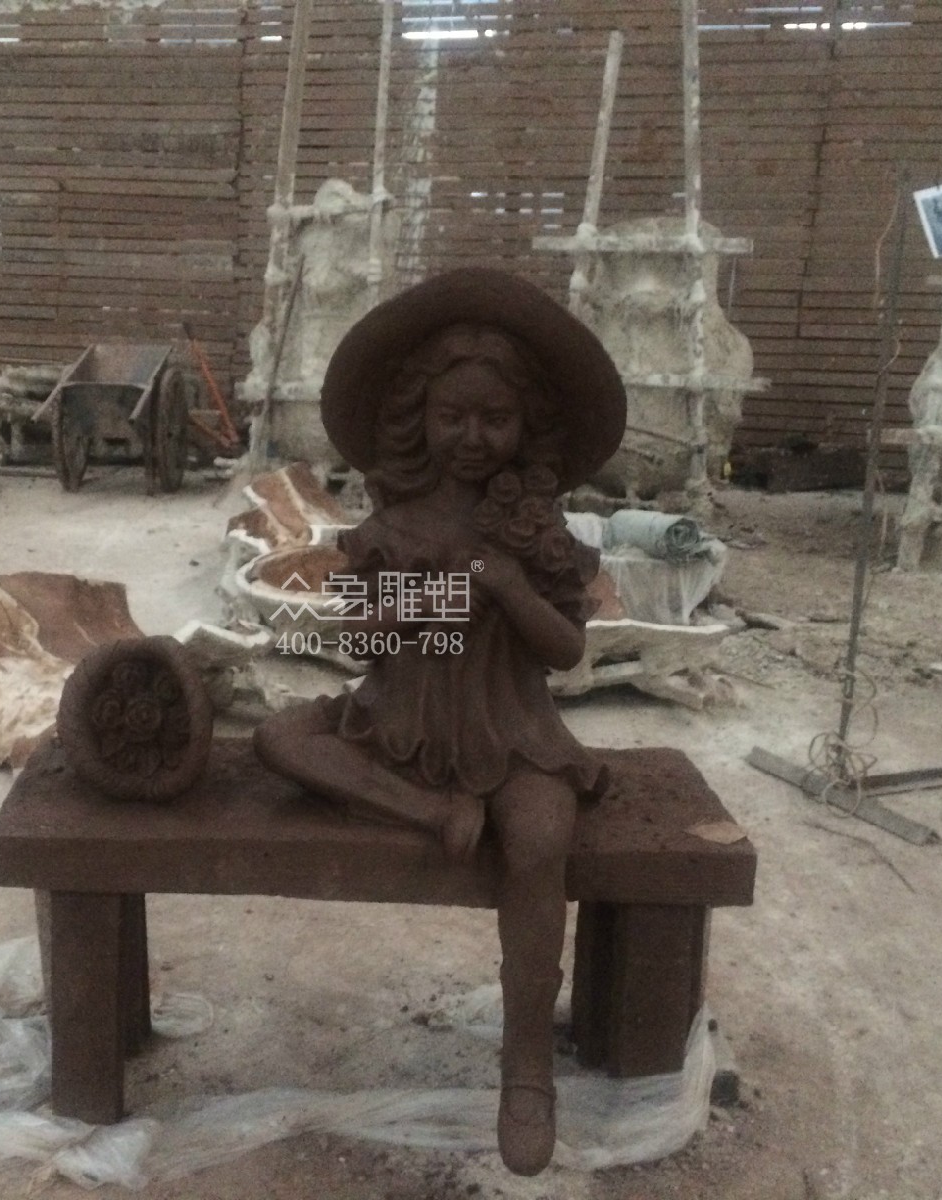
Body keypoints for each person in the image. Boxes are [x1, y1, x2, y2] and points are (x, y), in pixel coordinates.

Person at [253, 267, 626, 1176]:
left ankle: (527, 1067)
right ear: (416, 417)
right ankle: (432, 813)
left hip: (512, 731)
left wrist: (509, 586)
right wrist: (441, 599)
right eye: (452, 416)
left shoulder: (536, 533)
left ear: (526, 424)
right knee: (278, 738)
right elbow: (363, 634)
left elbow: (566, 650)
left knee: (540, 837)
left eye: (495, 419)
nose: (472, 437)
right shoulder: (394, 527)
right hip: (400, 727)